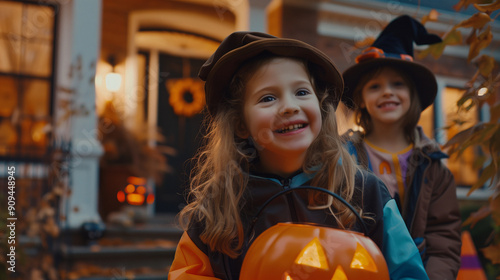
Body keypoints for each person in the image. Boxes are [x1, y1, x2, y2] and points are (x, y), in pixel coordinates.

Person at [168, 31, 429, 280]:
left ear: (320, 105)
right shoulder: (220, 204)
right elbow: (189, 273)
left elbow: (408, 272)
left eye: (302, 92)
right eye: (268, 98)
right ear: (240, 124)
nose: (290, 107)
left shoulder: (364, 191)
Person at [341, 15, 462, 280]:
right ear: (361, 99)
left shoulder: (435, 169)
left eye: (398, 84)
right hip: (353, 269)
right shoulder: (341, 157)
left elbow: (443, 240)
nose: (387, 92)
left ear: (412, 95)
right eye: (375, 86)